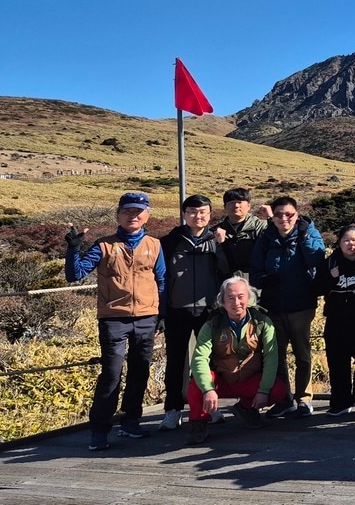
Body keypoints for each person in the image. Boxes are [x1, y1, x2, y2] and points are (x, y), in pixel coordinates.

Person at [65, 191, 166, 450]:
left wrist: (161, 314)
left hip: (147, 317)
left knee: (139, 371)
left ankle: (131, 423)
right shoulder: (104, 245)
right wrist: (74, 248)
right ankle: (99, 430)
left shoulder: (154, 245)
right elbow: (74, 275)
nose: (133, 215)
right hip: (113, 319)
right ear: (118, 215)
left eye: (138, 211)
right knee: (111, 374)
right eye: (127, 211)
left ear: (147, 215)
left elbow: (162, 281)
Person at [184, 277, 290, 444]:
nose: (236, 302)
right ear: (223, 302)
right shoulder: (212, 325)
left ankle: (246, 409)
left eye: (241, 296)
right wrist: (207, 389)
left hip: (249, 381)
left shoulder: (263, 322)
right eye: (231, 298)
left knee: (278, 389)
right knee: (196, 384)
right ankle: (199, 422)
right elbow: (199, 359)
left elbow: (271, 357)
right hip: (221, 382)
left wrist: (263, 390)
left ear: (249, 298)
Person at [250, 196, 326, 418]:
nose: (284, 218)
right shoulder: (266, 237)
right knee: (276, 354)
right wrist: (262, 280)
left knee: (302, 353)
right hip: (273, 305)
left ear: (297, 214)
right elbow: (255, 268)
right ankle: (284, 399)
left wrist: (304, 236)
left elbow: (317, 258)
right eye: (279, 214)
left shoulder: (308, 232)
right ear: (272, 216)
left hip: (301, 304)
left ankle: (304, 398)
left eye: (289, 214)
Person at [160, 194, 231, 431]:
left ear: (210, 214)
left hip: (208, 310)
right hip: (176, 310)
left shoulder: (217, 240)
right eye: (192, 211)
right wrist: (161, 312)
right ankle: (172, 410)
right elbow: (160, 277)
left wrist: (221, 247)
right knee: (176, 362)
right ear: (184, 214)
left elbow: (226, 272)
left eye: (202, 212)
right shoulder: (170, 242)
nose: (197, 216)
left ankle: (208, 408)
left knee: (208, 361)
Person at [318, 225, 355, 417]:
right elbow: (317, 287)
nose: (350, 244)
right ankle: (340, 402)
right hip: (337, 319)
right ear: (339, 242)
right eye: (345, 240)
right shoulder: (331, 262)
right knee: (337, 362)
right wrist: (331, 279)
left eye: (354, 240)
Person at [215, 187, 267, 277]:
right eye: (231, 203)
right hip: (226, 282)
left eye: (240, 202)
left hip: (255, 282)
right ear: (225, 207)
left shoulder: (261, 227)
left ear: (249, 206)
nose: (236, 206)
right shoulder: (217, 230)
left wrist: (272, 218)